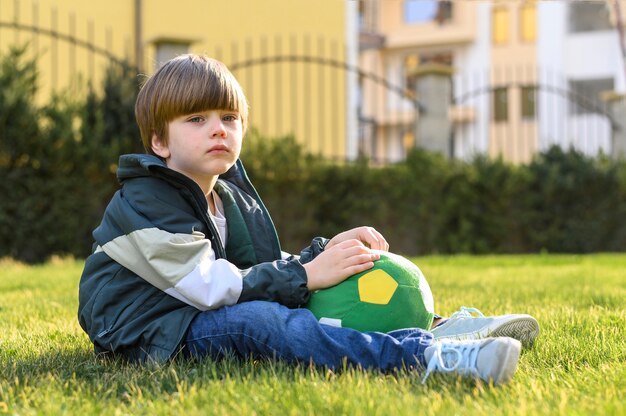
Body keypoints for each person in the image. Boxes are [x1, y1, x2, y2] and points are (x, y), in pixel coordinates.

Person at [78, 54, 538, 386]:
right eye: (196, 118)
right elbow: (210, 286)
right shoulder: (146, 201)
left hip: (191, 309)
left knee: (308, 293)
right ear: (160, 141)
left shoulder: (226, 195)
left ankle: (433, 325)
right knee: (262, 321)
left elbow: (256, 264)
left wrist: (323, 255)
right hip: (151, 330)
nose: (219, 128)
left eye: (230, 117)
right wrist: (305, 274)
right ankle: (426, 356)